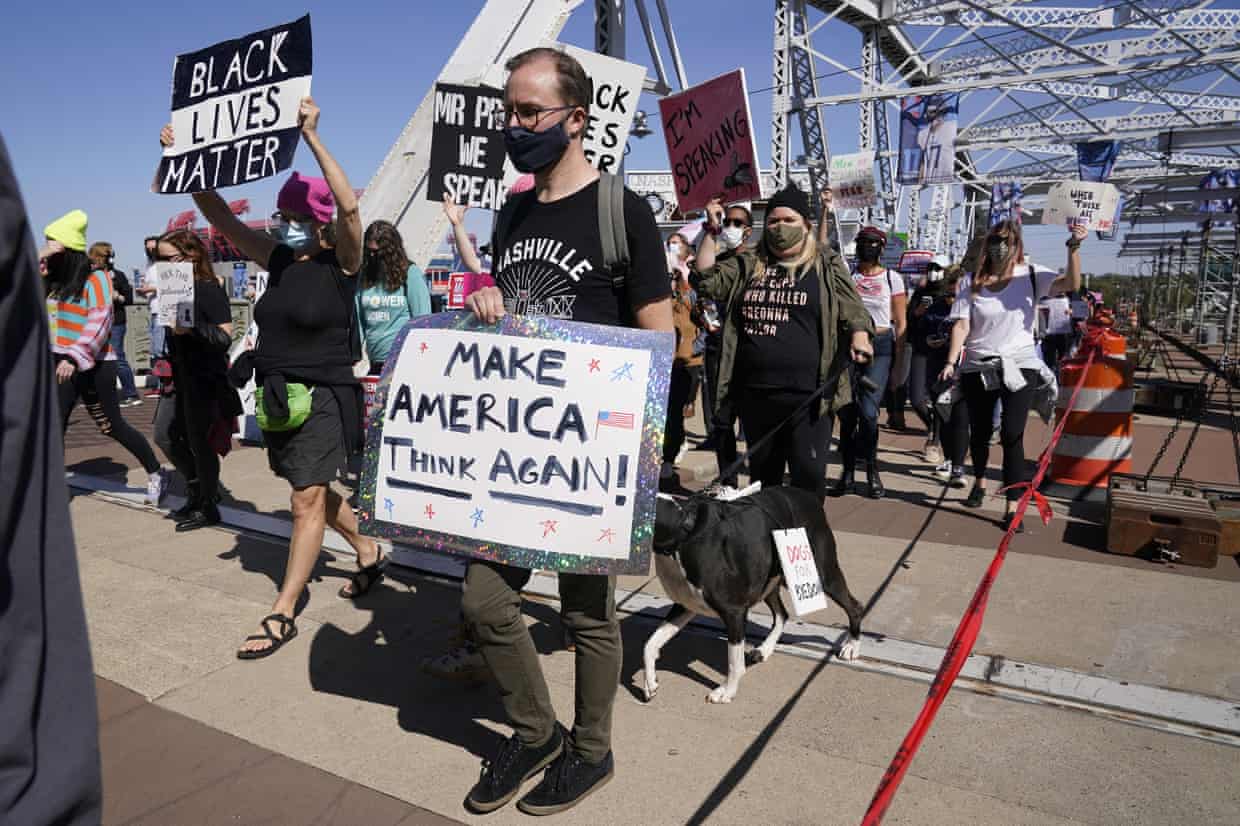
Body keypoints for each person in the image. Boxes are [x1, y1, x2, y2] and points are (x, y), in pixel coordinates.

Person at [461, 46, 673, 816]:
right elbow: (510, 313)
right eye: (508, 112)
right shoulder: (512, 210)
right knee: (485, 601)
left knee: (588, 613)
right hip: (514, 450)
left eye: (528, 112)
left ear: (574, 119)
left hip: (593, 453)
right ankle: (536, 732)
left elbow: (659, 338)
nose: (514, 126)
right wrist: (488, 308)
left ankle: (590, 751)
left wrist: (641, 458)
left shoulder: (623, 211)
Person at [162, 96, 384, 658]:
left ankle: (283, 608)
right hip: (279, 396)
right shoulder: (277, 260)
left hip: (326, 395)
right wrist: (185, 159)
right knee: (306, 489)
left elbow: (352, 211)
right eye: (283, 217)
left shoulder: (344, 265)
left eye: (297, 218)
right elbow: (222, 219)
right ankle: (369, 549)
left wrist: (311, 135)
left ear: (319, 224)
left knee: (305, 499)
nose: (285, 224)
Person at [0, 134, 102, 826]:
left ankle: (166, 476)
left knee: (122, 429)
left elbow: (93, 320)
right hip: (53, 365)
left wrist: (75, 354)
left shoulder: (92, 279)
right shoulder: (50, 274)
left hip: (75, 366)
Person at [693, 184, 875, 500]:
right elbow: (708, 280)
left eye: (788, 220)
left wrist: (860, 335)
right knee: (766, 482)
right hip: (757, 394)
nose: (779, 227)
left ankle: (806, 544)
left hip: (809, 396)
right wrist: (711, 229)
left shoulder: (825, 263)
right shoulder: (749, 262)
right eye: (773, 221)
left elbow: (854, 308)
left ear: (805, 223)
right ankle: (772, 546)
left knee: (808, 475)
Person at [939, 221, 1086, 529]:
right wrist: (952, 361)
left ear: (1017, 245)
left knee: (1012, 433)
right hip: (979, 364)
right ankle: (979, 481)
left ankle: (1013, 504)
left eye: (1007, 240)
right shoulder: (970, 282)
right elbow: (962, 325)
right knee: (979, 431)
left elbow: (1071, 284)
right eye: (995, 240)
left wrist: (1073, 247)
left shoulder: (1032, 275)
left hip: (1019, 364)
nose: (1000, 246)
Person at [42, 210, 165, 504]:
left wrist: (73, 358)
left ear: (68, 250)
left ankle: (156, 472)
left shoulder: (96, 278)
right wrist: (42, 256)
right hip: (59, 363)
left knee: (112, 426)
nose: (48, 253)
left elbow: (100, 321)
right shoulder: (52, 280)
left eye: (53, 246)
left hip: (93, 363)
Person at [150, 230, 242, 531]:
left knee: (200, 442)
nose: (161, 266)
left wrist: (192, 328)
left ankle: (207, 503)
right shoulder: (173, 289)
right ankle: (198, 488)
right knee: (165, 433)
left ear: (191, 255)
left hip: (203, 376)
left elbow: (224, 337)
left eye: (167, 259)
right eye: (157, 259)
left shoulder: (208, 288)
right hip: (179, 374)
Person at [829, 226, 906, 499]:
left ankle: (872, 472)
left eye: (873, 243)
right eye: (863, 242)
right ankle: (847, 474)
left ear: (882, 247)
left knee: (869, 413)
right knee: (847, 413)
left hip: (881, 348)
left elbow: (901, 322)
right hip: (849, 346)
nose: (868, 247)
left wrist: (899, 366)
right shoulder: (849, 276)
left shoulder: (892, 279)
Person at [696, 203, 751, 485]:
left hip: (751, 350)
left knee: (754, 420)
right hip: (719, 348)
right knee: (722, 420)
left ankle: (762, 482)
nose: (730, 227)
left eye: (737, 223)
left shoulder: (758, 262)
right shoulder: (717, 260)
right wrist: (711, 226)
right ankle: (728, 482)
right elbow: (702, 281)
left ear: (748, 230)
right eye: (727, 221)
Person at [355, 220, 432, 375]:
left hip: (404, 362)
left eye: (379, 253)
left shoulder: (410, 274)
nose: (373, 257)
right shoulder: (364, 276)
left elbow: (423, 320)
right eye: (369, 252)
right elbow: (358, 322)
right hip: (375, 362)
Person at [907, 255, 955, 465]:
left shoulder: (953, 295)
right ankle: (935, 426)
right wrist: (917, 312)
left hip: (943, 355)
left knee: (939, 400)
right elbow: (909, 321)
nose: (933, 271)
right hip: (920, 350)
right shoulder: (921, 292)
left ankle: (934, 442)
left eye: (938, 268)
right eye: (931, 267)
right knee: (917, 399)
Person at [662, 231, 698, 493]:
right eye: (669, 243)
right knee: (666, 412)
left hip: (688, 357)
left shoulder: (692, 278)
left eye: (678, 244)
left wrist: (683, 278)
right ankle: (666, 455)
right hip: (665, 355)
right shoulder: (664, 277)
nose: (672, 247)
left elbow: (696, 308)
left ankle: (670, 456)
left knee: (679, 410)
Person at [90, 242, 141, 406]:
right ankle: (97, 394)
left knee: (117, 355)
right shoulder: (90, 276)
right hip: (96, 321)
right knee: (95, 358)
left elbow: (129, 299)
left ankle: (131, 393)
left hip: (115, 322)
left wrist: (117, 296)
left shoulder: (118, 275)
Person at [136, 234, 166, 393]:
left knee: (160, 349)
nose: (151, 251)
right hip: (154, 310)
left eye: (153, 248)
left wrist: (152, 289)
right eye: (148, 249)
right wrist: (143, 292)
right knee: (156, 349)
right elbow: (149, 288)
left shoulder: (167, 264)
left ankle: (164, 384)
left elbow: (172, 285)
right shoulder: (149, 266)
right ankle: (160, 384)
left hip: (164, 311)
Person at [1038, 289, 1074, 370]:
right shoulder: (1041, 294)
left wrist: (1072, 312)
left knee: (1064, 358)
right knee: (1048, 360)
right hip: (1047, 334)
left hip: (1063, 334)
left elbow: (1082, 312)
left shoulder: (1070, 296)